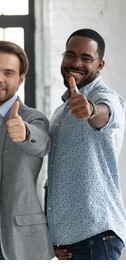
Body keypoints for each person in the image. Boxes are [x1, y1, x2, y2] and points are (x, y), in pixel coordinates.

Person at [0, 41, 55, 260]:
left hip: (11, 240)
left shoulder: (32, 118)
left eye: (8, 73)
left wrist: (24, 133)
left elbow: (42, 143)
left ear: (20, 80)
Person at [47, 28, 126, 260]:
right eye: (70, 55)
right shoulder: (60, 111)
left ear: (100, 65)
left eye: (86, 58)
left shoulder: (107, 98)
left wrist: (91, 110)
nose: (76, 63)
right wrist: (53, 236)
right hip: (67, 241)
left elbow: (106, 114)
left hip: (95, 236)